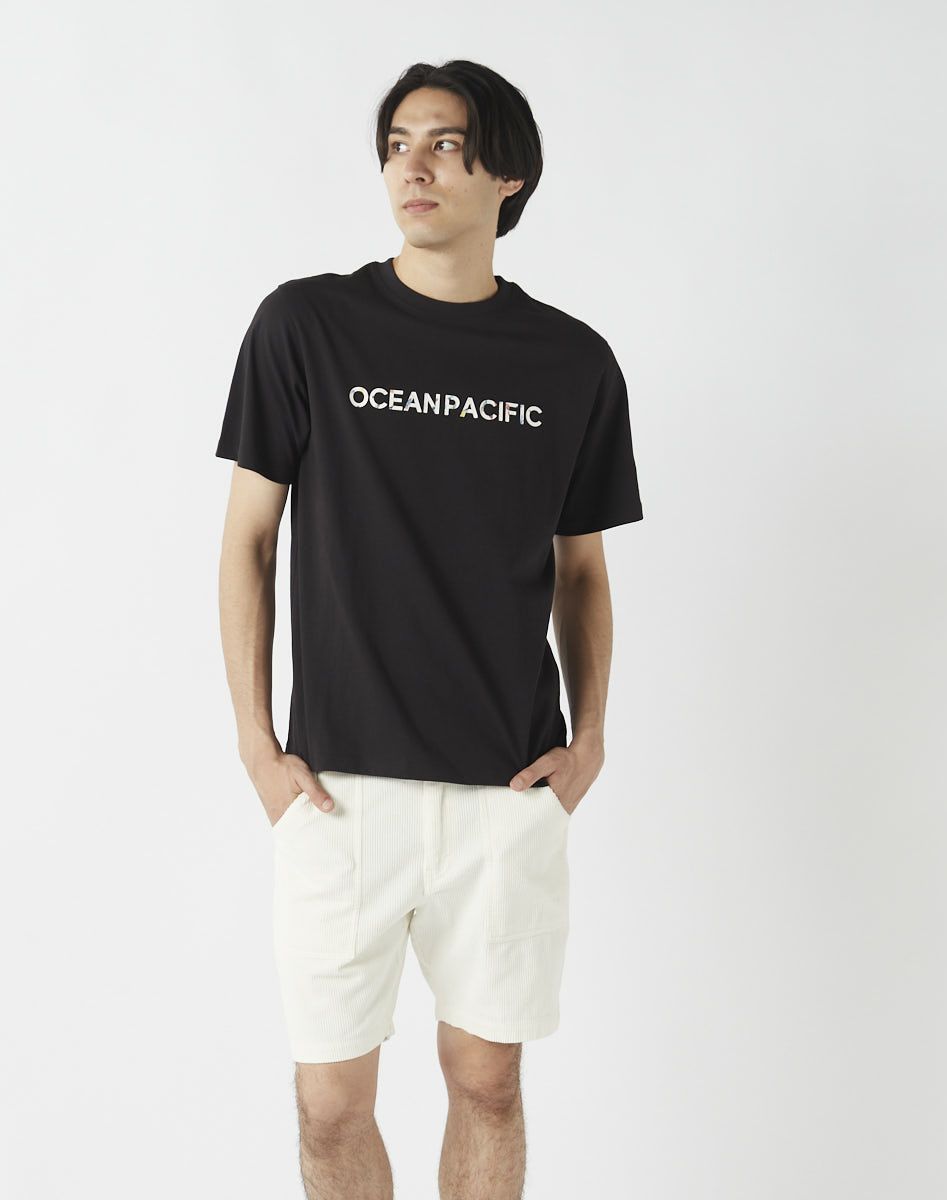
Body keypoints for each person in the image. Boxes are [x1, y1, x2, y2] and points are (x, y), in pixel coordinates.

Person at [215, 58, 643, 1200]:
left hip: (504, 791)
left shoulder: (572, 361)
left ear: (509, 176)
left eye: (447, 144)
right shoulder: (307, 325)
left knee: (488, 1085)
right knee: (328, 1107)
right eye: (399, 143)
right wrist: (256, 744)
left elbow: (583, 571)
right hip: (334, 791)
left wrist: (590, 738)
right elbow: (249, 539)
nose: (414, 165)